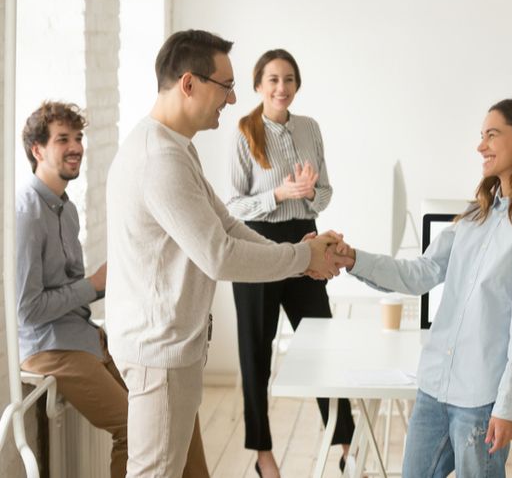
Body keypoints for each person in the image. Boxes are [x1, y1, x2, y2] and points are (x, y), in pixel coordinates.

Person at [105, 30, 341, 477]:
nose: (232, 100)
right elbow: (219, 254)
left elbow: (228, 224)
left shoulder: (177, 148)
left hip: (173, 347)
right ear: (190, 84)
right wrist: (302, 259)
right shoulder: (160, 160)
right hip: (160, 352)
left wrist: (300, 248)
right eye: (226, 86)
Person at [329, 97, 512, 477]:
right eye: (481, 136)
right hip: (434, 390)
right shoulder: (476, 216)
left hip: (481, 402)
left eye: (492, 135)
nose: (481, 146)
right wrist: (353, 258)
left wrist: (507, 408)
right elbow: (420, 273)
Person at [15, 101, 209, 478]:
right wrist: (94, 285)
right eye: (62, 140)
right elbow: (28, 310)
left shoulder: (66, 210)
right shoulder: (27, 214)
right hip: (50, 348)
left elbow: (75, 288)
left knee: (179, 403)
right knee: (132, 429)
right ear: (37, 150)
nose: (75, 147)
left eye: (78, 137)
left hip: (85, 337)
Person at [226, 49, 354, 477]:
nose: (282, 88)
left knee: (321, 343)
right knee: (256, 353)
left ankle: (345, 445)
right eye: (273, 80)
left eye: (289, 79)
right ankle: (263, 454)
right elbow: (233, 204)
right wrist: (279, 194)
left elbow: (325, 191)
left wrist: (308, 193)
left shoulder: (309, 128)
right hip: (256, 245)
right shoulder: (244, 133)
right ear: (259, 85)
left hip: (306, 239)